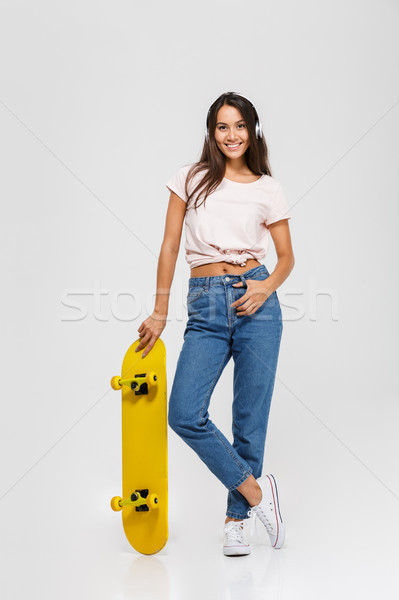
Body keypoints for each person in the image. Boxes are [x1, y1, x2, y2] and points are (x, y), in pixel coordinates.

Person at [135, 91, 295, 556]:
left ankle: (236, 521)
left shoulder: (268, 187)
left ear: (253, 130)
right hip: (204, 301)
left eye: (240, 126)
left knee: (249, 422)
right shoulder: (189, 179)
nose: (232, 135)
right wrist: (160, 311)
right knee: (184, 412)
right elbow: (169, 246)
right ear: (212, 132)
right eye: (223, 127)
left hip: (256, 300)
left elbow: (286, 259)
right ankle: (259, 495)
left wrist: (263, 290)